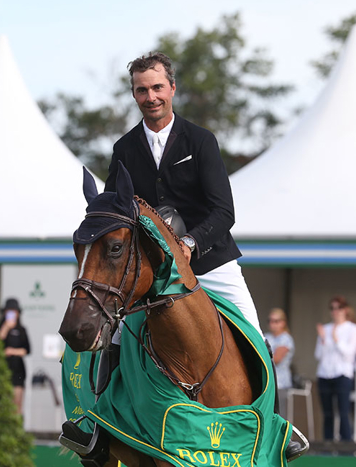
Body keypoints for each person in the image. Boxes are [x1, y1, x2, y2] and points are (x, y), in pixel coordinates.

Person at [104, 52, 262, 337]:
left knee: (255, 337)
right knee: (115, 340)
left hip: (211, 262)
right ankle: (105, 382)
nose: (151, 97)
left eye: (157, 88)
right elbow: (114, 214)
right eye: (142, 90)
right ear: (134, 94)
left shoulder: (202, 141)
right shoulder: (123, 149)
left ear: (172, 88)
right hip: (152, 269)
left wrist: (188, 244)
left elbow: (225, 212)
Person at [315, 296, 356, 441]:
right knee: (328, 413)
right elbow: (318, 354)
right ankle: (327, 446)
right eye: (332, 308)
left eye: (338, 308)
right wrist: (322, 339)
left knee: (343, 412)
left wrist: (336, 339)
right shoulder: (325, 329)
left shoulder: (353, 329)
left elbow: (349, 354)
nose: (335, 312)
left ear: (345, 310)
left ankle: (347, 445)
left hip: (342, 374)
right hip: (324, 374)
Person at [0, 298, 31, 414]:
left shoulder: (21, 330)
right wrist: (6, 327)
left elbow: (27, 350)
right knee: (1, 403)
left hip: (17, 371)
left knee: (17, 403)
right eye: (9, 311)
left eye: (14, 312)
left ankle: (17, 427)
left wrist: (11, 351)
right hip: (3, 370)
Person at [264, 308, 294, 417]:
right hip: (267, 383)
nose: (272, 324)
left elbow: (276, 359)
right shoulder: (266, 336)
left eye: (276, 321)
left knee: (280, 416)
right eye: (270, 321)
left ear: (283, 323)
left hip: (280, 383)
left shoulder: (286, 339)